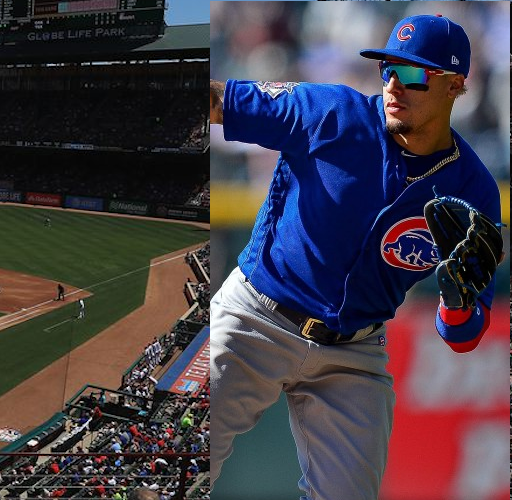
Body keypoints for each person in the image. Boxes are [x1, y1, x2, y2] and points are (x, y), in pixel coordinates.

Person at [209, 14, 501, 500]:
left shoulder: (473, 190)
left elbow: (464, 334)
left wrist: (457, 301)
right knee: (172, 465)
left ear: (455, 85)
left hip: (354, 353)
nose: (393, 84)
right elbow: (221, 101)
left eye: (413, 74)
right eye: (387, 68)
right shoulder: (331, 113)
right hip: (256, 317)